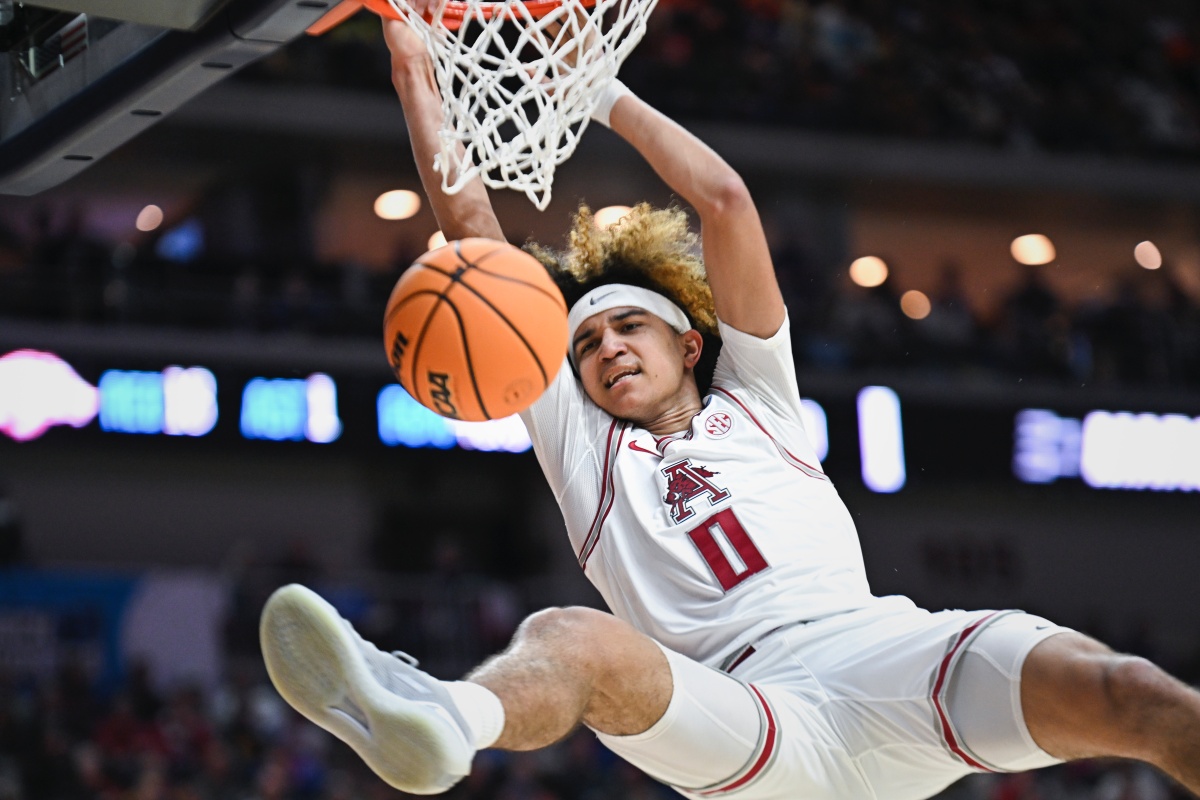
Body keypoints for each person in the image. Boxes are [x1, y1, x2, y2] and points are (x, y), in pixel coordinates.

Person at [258, 15, 1200, 800]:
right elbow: (476, 237)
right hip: (744, 709)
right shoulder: (587, 452)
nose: (605, 348)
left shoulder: (761, 398)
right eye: (585, 345)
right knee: (571, 640)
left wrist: (599, 92)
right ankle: (438, 715)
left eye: (628, 327)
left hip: (887, 654)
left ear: (690, 344)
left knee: (1135, 695)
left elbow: (726, 199)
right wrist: (413, 70)